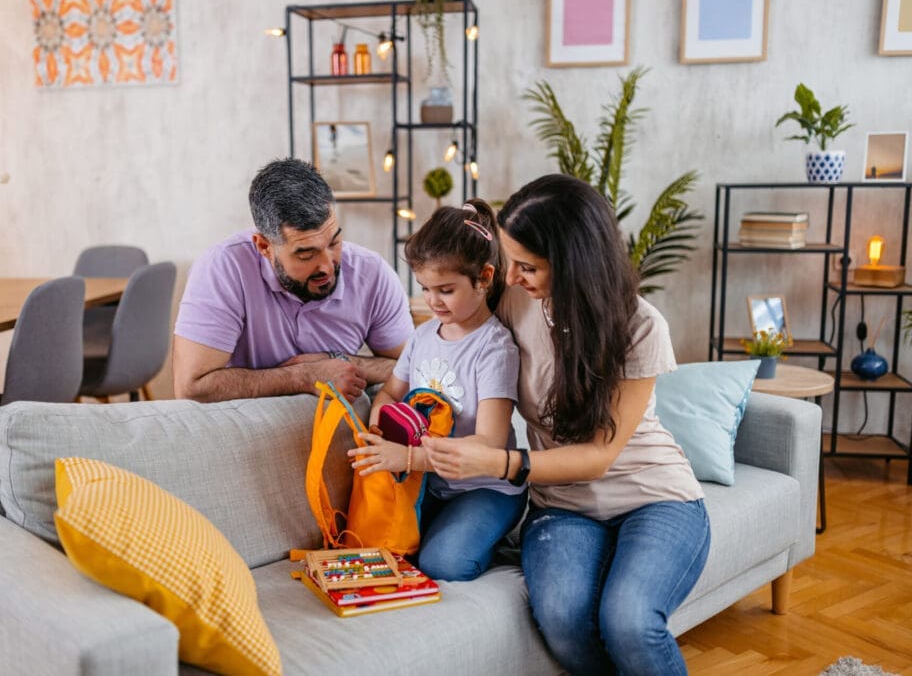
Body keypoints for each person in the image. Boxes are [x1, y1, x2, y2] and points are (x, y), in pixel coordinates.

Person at [421, 175, 710, 675]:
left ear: (576, 265)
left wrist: (494, 461)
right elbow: (437, 318)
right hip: (563, 509)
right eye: (510, 262)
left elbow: (598, 458)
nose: (512, 277)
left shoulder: (641, 327)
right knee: (561, 616)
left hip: (654, 497)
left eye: (528, 266)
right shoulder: (516, 299)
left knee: (630, 620)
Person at [348, 199, 526, 582]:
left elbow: (491, 444)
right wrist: (379, 429)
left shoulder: (494, 348)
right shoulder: (422, 336)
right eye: (425, 288)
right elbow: (390, 394)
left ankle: (506, 539)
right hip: (432, 483)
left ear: (484, 277)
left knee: (443, 564)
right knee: (382, 545)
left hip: (486, 488)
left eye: (445, 290)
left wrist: (407, 458)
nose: (432, 301)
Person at [173, 158, 413, 402]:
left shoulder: (372, 274)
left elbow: (418, 368)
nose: (327, 266)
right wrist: (303, 376)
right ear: (264, 246)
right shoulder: (222, 268)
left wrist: (341, 362)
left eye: (334, 243)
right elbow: (191, 388)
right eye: (306, 254)